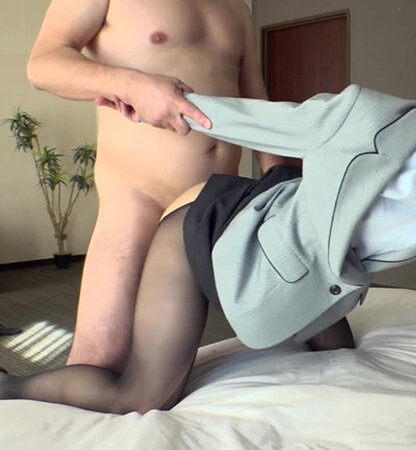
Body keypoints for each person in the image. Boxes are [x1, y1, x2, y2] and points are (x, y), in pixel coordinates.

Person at [3, 13, 416, 431]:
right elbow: (266, 120)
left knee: (339, 354)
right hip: (203, 233)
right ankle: (9, 389)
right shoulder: (368, 116)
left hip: (295, 247)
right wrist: (159, 100)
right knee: (141, 395)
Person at [25, 0, 284, 371]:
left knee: (167, 370)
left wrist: (277, 182)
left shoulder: (237, 7)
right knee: (99, 361)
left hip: (211, 208)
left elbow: (256, 100)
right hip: (138, 202)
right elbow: (43, 65)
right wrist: (133, 85)